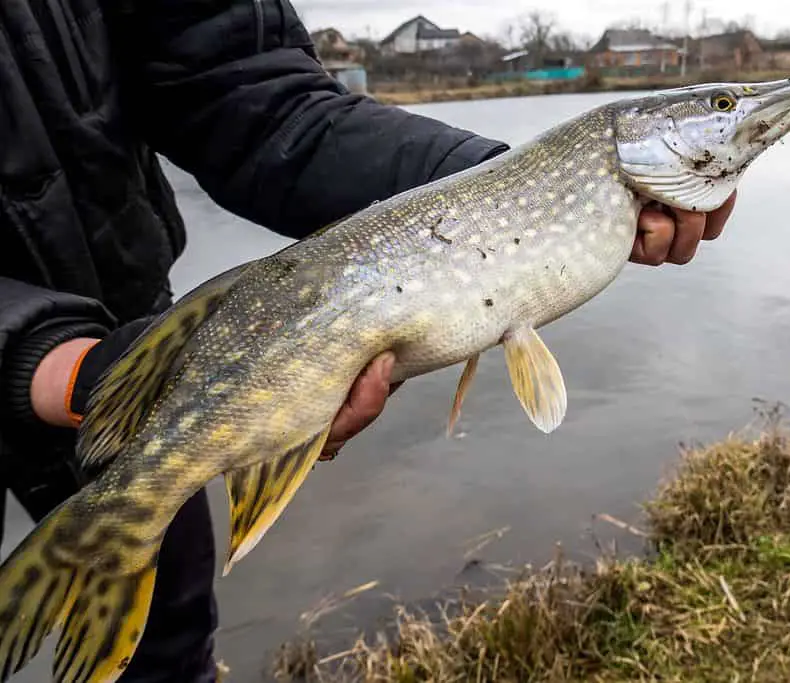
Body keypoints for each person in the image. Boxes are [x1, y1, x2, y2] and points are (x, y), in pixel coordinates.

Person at [0, 1, 738, 680]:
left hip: (140, 345)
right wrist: (36, 350)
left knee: (168, 632)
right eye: (722, 104)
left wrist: (491, 187)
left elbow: (250, 93)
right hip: (82, 355)